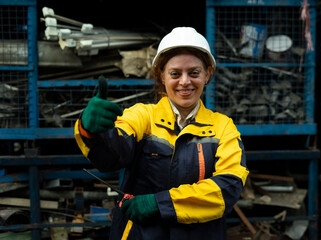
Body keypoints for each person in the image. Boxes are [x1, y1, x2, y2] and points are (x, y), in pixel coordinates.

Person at [74, 27, 249, 240]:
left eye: (194, 72)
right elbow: (110, 157)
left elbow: (228, 188)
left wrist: (159, 204)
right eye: (175, 73)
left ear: (207, 74)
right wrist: (91, 131)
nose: (185, 81)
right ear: (162, 76)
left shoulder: (223, 128)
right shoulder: (142, 117)